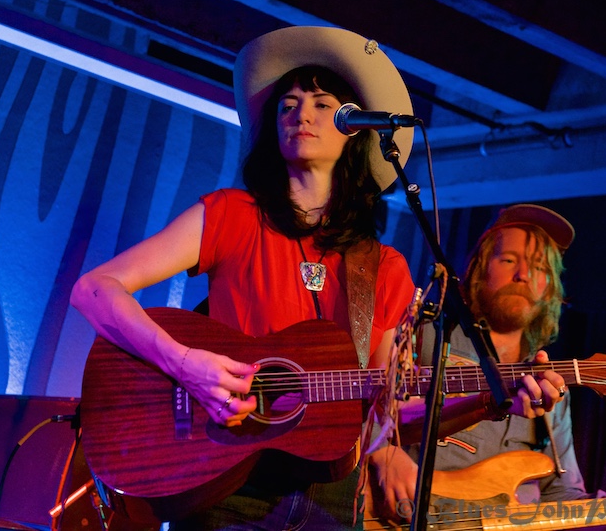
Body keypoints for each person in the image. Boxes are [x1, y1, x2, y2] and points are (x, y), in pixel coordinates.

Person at [71, 26, 421, 530]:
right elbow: (94, 290)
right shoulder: (232, 216)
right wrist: (185, 363)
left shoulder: (382, 267)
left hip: (334, 494)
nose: (301, 113)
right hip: (227, 477)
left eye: (323, 104)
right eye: (288, 104)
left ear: (356, 133)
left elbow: (384, 396)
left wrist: (490, 398)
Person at [367, 204, 606, 531]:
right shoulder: (427, 338)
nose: (523, 275)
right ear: (480, 268)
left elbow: (562, 497)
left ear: (550, 287)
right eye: (509, 259)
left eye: (539, 267)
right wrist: (382, 450)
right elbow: (361, 406)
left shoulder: (552, 386)